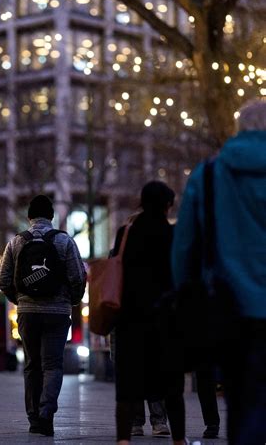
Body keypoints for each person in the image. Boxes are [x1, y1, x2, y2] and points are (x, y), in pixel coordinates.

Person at [172, 99, 266, 444]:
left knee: (241, 404)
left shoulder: (209, 174)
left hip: (230, 309)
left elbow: (184, 247)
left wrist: (186, 294)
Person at [0, 195, 87, 437]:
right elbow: (78, 276)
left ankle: (34, 418)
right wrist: (72, 301)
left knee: (31, 365)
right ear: (52, 216)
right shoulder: (64, 241)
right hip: (58, 312)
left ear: (29, 217)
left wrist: (20, 300)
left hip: (28, 312)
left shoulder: (16, 242)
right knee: (53, 365)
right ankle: (47, 412)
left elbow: (2, 280)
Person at [112, 182, 186, 445]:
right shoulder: (174, 235)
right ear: (167, 205)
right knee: (172, 387)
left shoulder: (126, 233)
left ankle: (124, 439)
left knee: (127, 388)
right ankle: (178, 439)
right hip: (166, 320)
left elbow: (115, 266)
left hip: (130, 319)